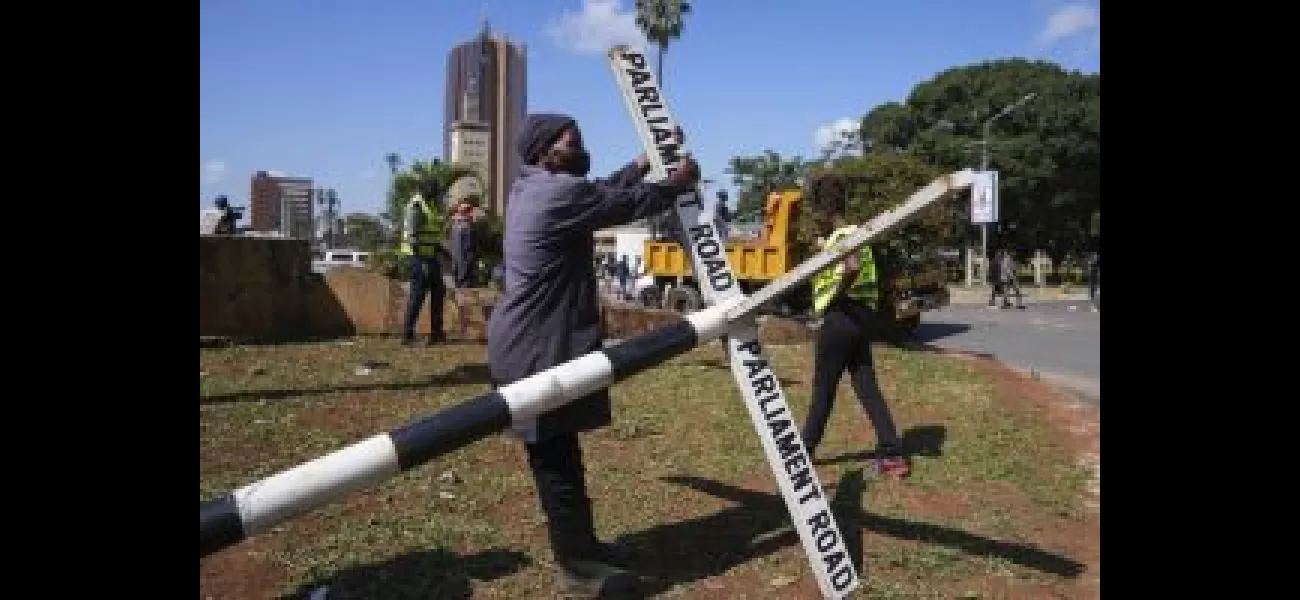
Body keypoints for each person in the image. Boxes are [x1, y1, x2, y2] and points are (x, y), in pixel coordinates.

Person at [487, 112, 699, 597]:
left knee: (563, 452)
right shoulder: (558, 194)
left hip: (532, 342)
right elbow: (625, 201)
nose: (581, 146)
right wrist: (677, 181)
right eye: (572, 141)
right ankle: (578, 567)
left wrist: (645, 161)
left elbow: (606, 188)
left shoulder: (532, 188)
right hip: (536, 348)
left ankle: (587, 548)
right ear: (545, 150)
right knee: (554, 462)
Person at [801, 194, 910, 479]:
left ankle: (803, 452)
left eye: (815, 211)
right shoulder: (856, 233)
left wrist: (835, 297)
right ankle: (893, 453)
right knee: (866, 386)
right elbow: (851, 259)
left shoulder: (843, 237)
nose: (814, 218)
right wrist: (823, 247)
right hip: (862, 318)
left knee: (824, 388)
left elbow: (851, 266)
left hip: (841, 315)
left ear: (826, 209)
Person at [397, 184, 449, 346]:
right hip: (419, 259)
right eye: (437, 194)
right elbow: (413, 238)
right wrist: (422, 262)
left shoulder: (428, 206)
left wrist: (442, 251)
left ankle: (437, 333)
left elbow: (429, 234)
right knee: (417, 296)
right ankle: (407, 335)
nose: (439, 198)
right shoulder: (416, 207)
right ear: (430, 193)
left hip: (430, 256)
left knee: (439, 292)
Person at [449, 198, 478, 288]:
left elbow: (468, 252)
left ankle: (462, 279)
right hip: (460, 272)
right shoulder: (458, 226)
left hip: (463, 274)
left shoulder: (461, 226)